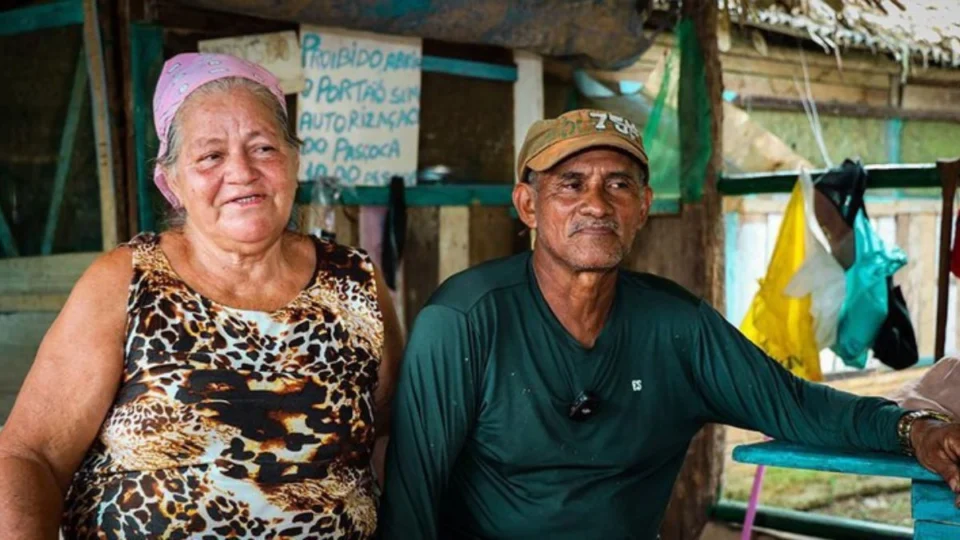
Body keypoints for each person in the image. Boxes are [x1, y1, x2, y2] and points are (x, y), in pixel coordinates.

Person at [379, 109, 960, 539]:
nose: (597, 204)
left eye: (619, 184)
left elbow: (801, 408)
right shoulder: (464, 321)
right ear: (528, 205)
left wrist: (915, 432)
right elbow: (411, 503)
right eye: (570, 184)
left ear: (643, 207)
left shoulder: (677, 327)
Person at [0, 53, 403, 538]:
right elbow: (29, 456)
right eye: (211, 156)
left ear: (294, 161)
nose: (241, 172)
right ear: (170, 181)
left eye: (264, 149)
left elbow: (388, 435)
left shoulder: (355, 282)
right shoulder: (125, 282)